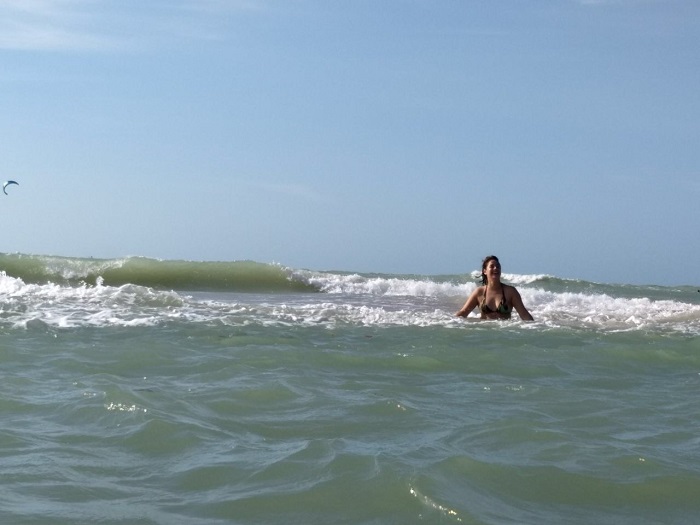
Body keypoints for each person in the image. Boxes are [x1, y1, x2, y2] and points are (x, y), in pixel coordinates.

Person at [456, 255, 534, 321]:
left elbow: (524, 315)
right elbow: (463, 312)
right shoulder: (479, 292)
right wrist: (448, 322)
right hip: (484, 331)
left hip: (504, 332)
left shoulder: (510, 292)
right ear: (485, 271)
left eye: (498, 266)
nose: (495, 268)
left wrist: (536, 328)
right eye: (492, 266)